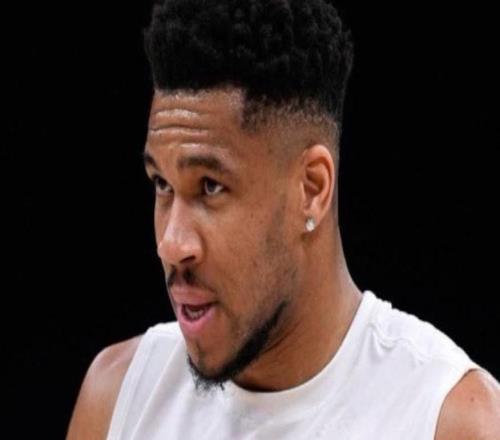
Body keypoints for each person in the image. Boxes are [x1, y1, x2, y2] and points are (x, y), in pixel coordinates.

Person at [66, 0, 500, 438]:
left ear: (311, 190)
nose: (172, 244)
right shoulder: (118, 396)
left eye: (210, 186)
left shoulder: (450, 420)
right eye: (162, 184)